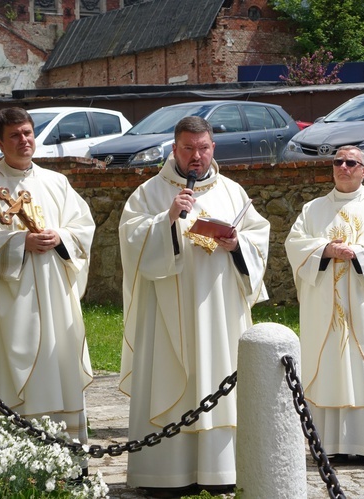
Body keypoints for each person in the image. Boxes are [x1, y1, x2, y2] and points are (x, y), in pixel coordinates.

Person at [118, 116, 270, 497]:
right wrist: (167, 219)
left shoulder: (234, 192)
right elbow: (131, 242)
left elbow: (258, 239)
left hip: (218, 308)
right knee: (168, 376)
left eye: (203, 148)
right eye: (188, 149)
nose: (196, 157)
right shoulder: (149, 193)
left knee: (220, 376)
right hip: (166, 311)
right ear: (174, 149)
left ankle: (220, 472)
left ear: (213, 148)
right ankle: (164, 474)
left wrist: (238, 246)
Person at [0, 107, 95, 446]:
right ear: (0, 142)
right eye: (15, 135)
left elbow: (83, 227)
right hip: (8, 301)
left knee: (59, 360)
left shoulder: (55, 182)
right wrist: (20, 242)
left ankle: (65, 451)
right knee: (11, 367)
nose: (24, 140)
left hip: (54, 293)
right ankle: (13, 455)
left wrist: (60, 237)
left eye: (28, 133)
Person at [284, 145, 364, 462]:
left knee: (363, 366)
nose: (344, 167)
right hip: (325, 309)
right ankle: (329, 446)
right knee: (327, 367)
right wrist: (326, 249)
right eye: (338, 162)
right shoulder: (313, 209)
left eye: (352, 162)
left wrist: (357, 253)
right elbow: (295, 244)